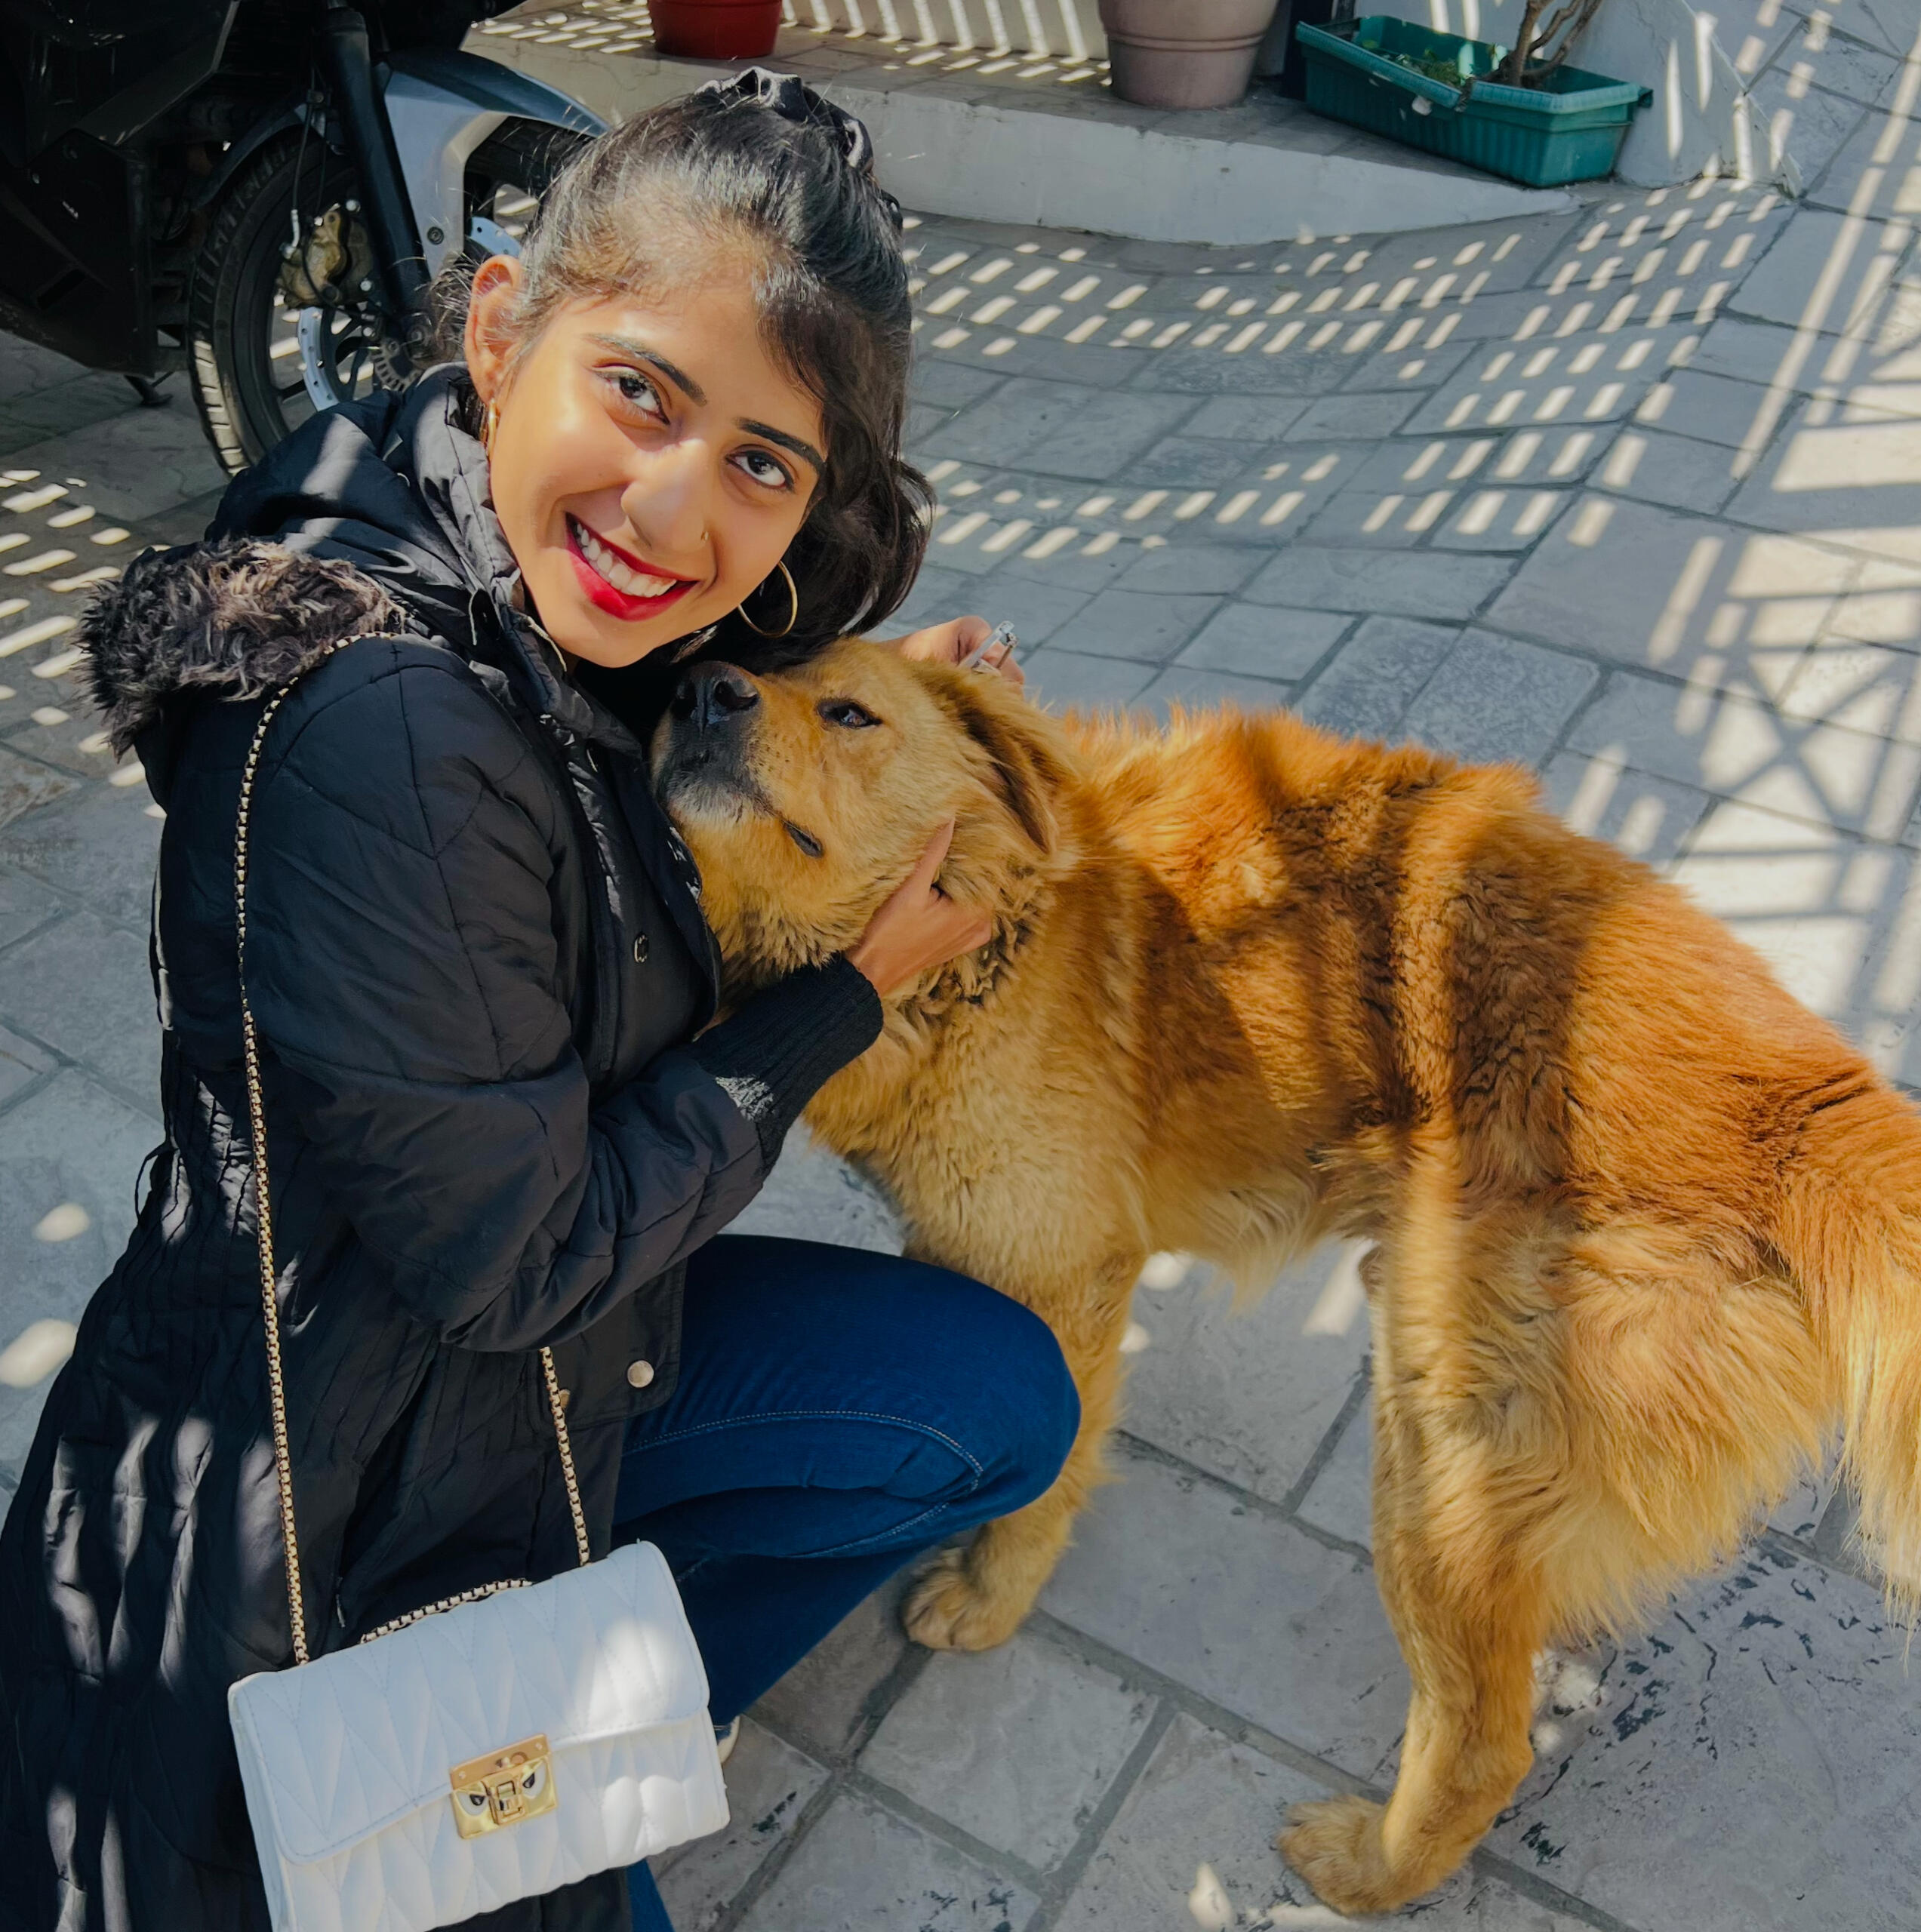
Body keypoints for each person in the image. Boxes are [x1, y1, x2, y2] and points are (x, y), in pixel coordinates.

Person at [0, 72, 1078, 1932]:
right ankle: (533, 1771)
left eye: (762, 462)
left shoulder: (444, 504)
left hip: (517, 1360)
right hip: (353, 1477)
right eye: (642, 393)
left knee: (990, 1403)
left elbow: (595, 686)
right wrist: (842, 997)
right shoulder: (383, 737)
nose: (670, 507)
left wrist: (850, 694)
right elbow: (524, 1264)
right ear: (502, 327)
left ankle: (621, 1716)